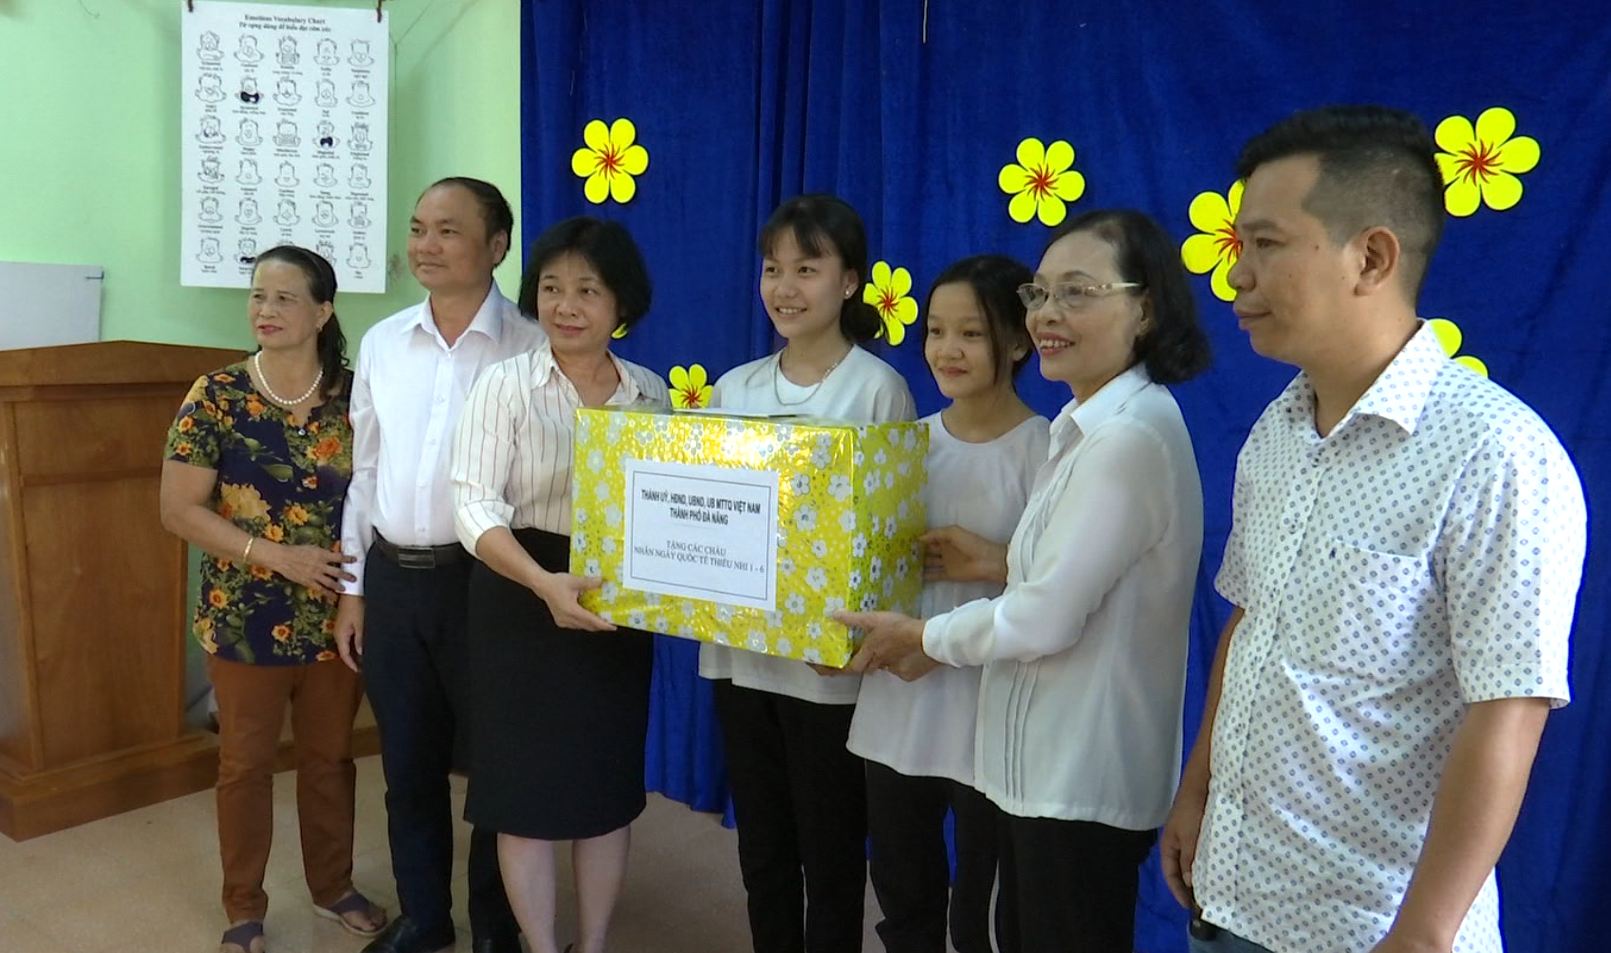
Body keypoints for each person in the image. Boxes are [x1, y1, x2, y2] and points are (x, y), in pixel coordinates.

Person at [1157, 105, 1589, 953]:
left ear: (1372, 255)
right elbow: (1251, 622)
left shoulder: (1494, 451)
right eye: (1236, 246)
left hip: (1369, 929)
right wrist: (1196, 787)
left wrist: (1422, 934)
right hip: (1233, 898)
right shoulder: (1273, 434)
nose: (1234, 276)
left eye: (1267, 244)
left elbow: (1508, 704)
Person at [838, 209, 1213, 953]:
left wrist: (921, 637)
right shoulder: (1088, 427)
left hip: (1075, 775)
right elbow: (1057, 572)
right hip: (1041, 769)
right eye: (1040, 293)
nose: (1048, 314)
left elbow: (1042, 614)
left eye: (1077, 293)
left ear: (1144, 307)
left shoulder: (1122, 439)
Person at [699, 194, 916, 953]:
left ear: (850, 281)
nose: (785, 287)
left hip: (826, 665)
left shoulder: (876, 389)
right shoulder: (734, 388)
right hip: (736, 654)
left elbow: (889, 540)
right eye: (772, 269)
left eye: (807, 268)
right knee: (761, 846)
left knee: (828, 850)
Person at [450, 216, 669, 953]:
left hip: (615, 603)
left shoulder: (650, 393)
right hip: (518, 593)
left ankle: (593, 942)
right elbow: (472, 503)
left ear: (620, 304)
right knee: (523, 797)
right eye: (551, 287)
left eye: (587, 289)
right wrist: (543, 582)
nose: (566, 304)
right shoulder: (504, 384)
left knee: (605, 794)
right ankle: (543, 946)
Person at [160, 245, 387, 953]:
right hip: (243, 611)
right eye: (258, 295)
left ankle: (333, 885)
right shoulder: (217, 394)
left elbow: (379, 497)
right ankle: (243, 908)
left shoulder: (358, 395)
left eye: (285, 298)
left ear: (323, 311)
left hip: (335, 615)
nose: (265, 309)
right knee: (244, 765)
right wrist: (273, 554)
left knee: (329, 759)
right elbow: (178, 508)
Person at [335, 177, 539, 953]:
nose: (424, 244)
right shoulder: (384, 341)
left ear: (496, 246)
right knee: (408, 761)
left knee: (495, 767)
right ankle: (426, 919)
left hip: (484, 583)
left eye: (447, 231)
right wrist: (354, 587)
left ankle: (497, 927)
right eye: (417, 227)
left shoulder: (527, 344)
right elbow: (367, 471)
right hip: (392, 578)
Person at [845, 255, 1049, 953]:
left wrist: (993, 562)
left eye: (970, 332)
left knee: (984, 910)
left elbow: (1059, 594)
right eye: (935, 330)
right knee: (902, 890)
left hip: (988, 706)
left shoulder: (1045, 451)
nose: (946, 350)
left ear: (1018, 340)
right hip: (898, 698)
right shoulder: (903, 447)